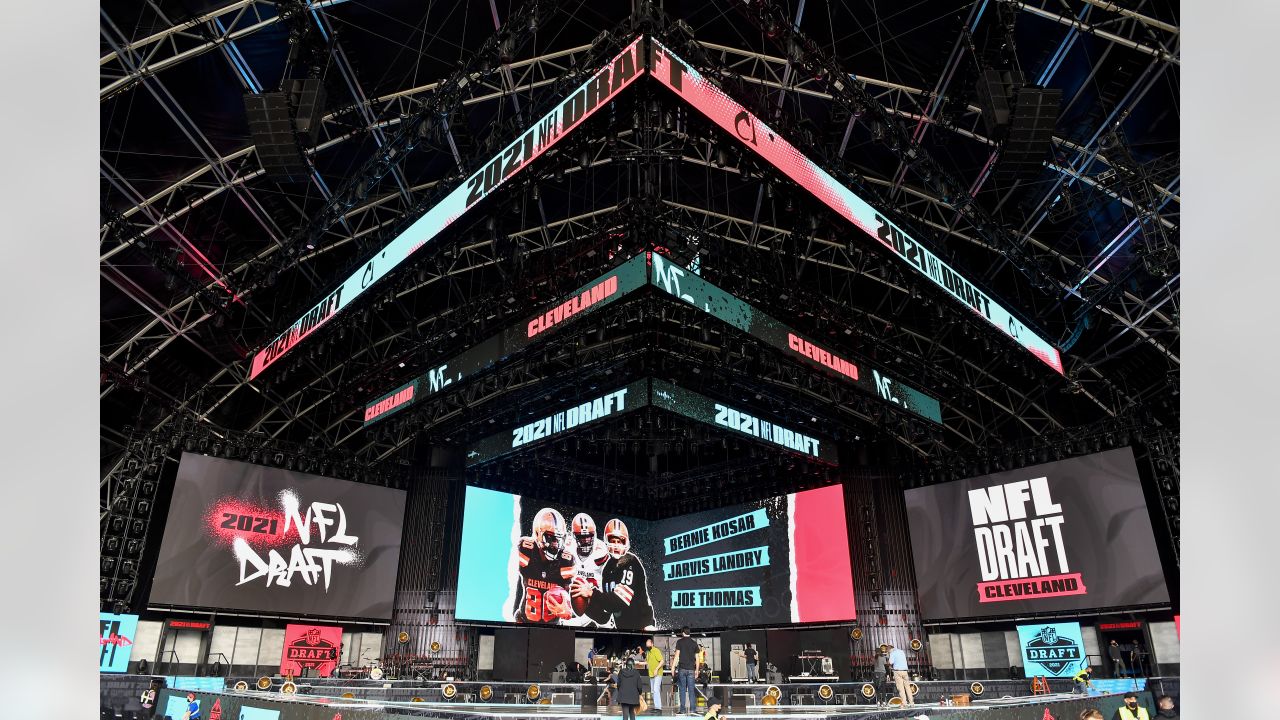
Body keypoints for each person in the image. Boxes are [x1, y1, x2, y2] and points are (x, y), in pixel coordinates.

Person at [573, 519, 656, 629]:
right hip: (624, 630)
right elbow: (604, 616)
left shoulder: (630, 561)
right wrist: (586, 605)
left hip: (643, 627)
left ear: (625, 542)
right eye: (613, 541)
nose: (616, 545)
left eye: (619, 541)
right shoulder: (607, 569)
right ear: (606, 542)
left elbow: (619, 601)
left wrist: (591, 593)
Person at [512, 508, 576, 624]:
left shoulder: (566, 561)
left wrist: (569, 611)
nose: (555, 545)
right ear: (537, 534)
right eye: (550, 538)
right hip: (525, 622)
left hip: (552, 629)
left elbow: (572, 600)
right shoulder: (527, 550)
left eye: (558, 539)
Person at [672, 627, 701, 716]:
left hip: (682, 669)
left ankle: (682, 710)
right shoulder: (694, 643)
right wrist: (697, 670)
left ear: (683, 633)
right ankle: (693, 709)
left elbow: (676, 656)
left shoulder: (679, 642)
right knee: (691, 690)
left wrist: (673, 667)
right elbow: (697, 658)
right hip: (691, 670)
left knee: (682, 690)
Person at [886, 641, 914, 706]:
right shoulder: (901, 651)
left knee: (901, 688)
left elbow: (890, 662)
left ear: (889, 649)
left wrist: (888, 664)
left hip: (898, 671)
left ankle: (904, 703)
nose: (888, 652)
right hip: (905, 671)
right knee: (907, 687)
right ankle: (911, 702)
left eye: (888, 651)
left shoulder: (892, 653)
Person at [645, 637, 664, 713]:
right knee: (653, 691)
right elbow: (648, 662)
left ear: (652, 644)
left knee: (656, 689)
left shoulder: (656, 650)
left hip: (657, 674)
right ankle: (656, 707)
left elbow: (662, 661)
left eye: (648, 644)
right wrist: (640, 663)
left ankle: (659, 708)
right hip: (651, 674)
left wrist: (656, 669)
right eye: (646, 645)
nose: (647, 646)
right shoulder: (648, 652)